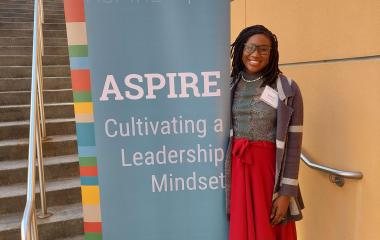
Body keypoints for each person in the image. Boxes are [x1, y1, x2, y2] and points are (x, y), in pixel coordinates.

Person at [225, 25, 304, 240]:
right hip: (238, 170)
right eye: (249, 47)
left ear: (272, 53)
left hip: (268, 173)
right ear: (240, 49)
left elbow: (294, 145)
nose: (255, 54)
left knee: (269, 228)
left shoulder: (287, 88)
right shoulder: (228, 84)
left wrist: (287, 193)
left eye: (263, 49)